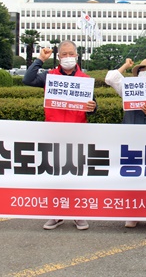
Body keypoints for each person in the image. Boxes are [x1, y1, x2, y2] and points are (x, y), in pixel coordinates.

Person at [23, 40, 97, 231]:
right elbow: (28, 79)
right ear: (58, 57)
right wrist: (40, 59)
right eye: (64, 54)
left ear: (77, 56)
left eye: (70, 53)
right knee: (55, 175)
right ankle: (55, 213)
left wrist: (93, 107)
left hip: (77, 134)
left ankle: (78, 213)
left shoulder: (85, 79)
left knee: (77, 176)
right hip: (53, 134)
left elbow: (92, 107)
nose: (67, 57)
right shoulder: (50, 77)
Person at [105, 58, 146, 229]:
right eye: (143, 69)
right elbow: (111, 78)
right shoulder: (128, 88)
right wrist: (126, 66)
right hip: (130, 137)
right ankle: (132, 213)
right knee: (131, 176)